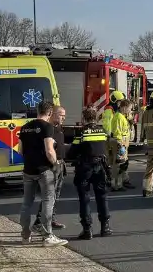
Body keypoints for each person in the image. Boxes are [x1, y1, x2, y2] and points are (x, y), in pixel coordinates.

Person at [18, 101, 68, 246]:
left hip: (28, 170)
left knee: (27, 203)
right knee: (48, 201)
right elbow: (49, 151)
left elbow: (20, 150)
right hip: (44, 170)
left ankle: (25, 236)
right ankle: (47, 236)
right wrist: (55, 163)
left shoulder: (25, 127)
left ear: (38, 111)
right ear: (50, 112)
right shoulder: (47, 127)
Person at [67, 107, 111, 239]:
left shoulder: (82, 133)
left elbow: (72, 152)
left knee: (85, 198)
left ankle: (87, 230)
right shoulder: (103, 131)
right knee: (102, 197)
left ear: (84, 118)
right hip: (100, 167)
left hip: (85, 168)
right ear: (96, 117)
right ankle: (105, 228)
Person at [34, 105, 68, 232]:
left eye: (64, 115)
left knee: (56, 195)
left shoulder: (58, 127)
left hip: (60, 163)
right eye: (61, 115)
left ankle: (51, 219)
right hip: (51, 165)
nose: (63, 118)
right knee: (48, 196)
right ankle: (39, 222)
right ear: (52, 114)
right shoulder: (47, 128)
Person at [111, 99, 135, 191]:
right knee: (118, 165)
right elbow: (117, 133)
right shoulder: (119, 117)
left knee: (121, 164)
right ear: (124, 107)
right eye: (129, 108)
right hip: (120, 142)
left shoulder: (122, 116)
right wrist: (120, 145)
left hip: (123, 143)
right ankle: (116, 185)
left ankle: (119, 184)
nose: (130, 110)